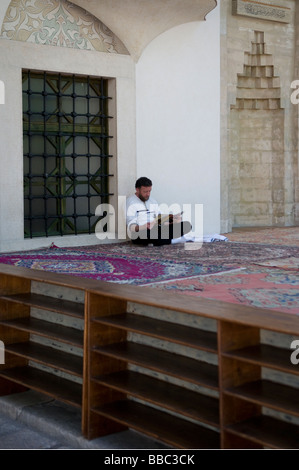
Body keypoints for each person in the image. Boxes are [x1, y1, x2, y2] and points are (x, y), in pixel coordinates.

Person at [126, 177, 192, 246]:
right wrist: (144, 226)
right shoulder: (130, 202)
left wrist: (172, 220)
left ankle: (161, 240)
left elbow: (159, 218)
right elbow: (131, 226)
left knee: (186, 225)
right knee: (149, 234)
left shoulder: (152, 200)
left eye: (149, 191)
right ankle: (172, 240)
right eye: (145, 192)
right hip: (141, 232)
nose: (148, 194)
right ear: (137, 190)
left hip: (157, 229)